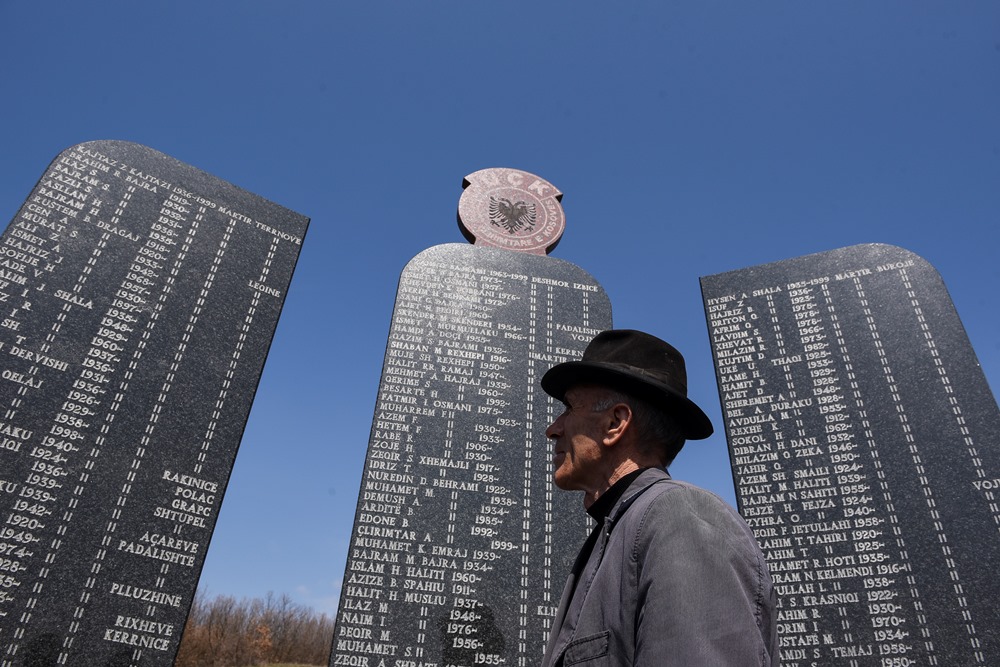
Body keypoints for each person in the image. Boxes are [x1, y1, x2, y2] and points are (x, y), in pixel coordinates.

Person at [539, 329, 778, 667]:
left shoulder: (681, 516)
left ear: (614, 424)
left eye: (569, 408)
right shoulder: (619, 532)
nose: (553, 428)